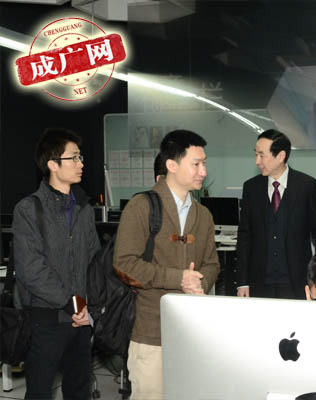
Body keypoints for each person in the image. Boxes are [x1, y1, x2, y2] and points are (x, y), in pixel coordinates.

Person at [113, 130, 220, 400]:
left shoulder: (203, 215)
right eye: (196, 164)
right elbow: (124, 264)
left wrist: (200, 281)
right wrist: (178, 278)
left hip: (192, 331)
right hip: (150, 331)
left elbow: (211, 263)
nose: (203, 171)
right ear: (171, 165)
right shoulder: (141, 206)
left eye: (204, 163)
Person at [13, 127, 100, 400]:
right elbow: (31, 269)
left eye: (80, 157)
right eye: (73, 158)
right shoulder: (29, 209)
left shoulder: (84, 208)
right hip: (46, 322)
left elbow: (93, 261)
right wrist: (72, 303)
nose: (80, 163)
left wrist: (89, 308)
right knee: (39, 392)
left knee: (79, 391)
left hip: (80, 321)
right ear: (52, 164)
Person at [236, 129, 316, 300]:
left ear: (281, 156)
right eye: (256, 154)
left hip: (297, 282)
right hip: (259, 283)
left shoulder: (306, 186)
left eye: (262, 155)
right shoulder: (251, 188)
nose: (257, 161)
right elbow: (245, 237)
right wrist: (243, 282)